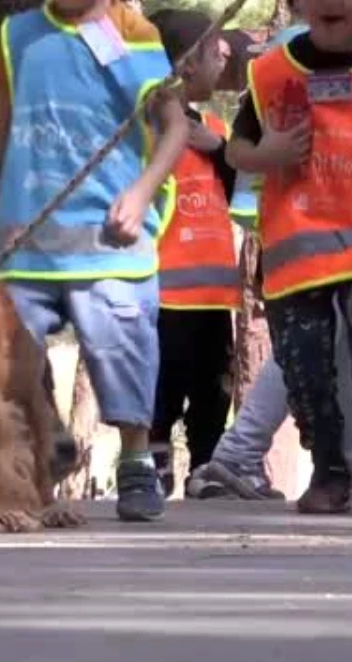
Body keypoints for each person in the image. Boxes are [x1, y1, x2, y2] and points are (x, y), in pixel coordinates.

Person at [0, 0, 189, 522]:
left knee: (123, 344)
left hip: (108, 239)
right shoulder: (17, 34)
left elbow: (174, 126)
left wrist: (141, 194)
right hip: (26, 239)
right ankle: (45, 443)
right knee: (4, 353)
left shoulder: (131, 31)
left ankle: (137, 458)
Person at [226, 0, 352, 514]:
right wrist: (265, 154)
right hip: (296, 257)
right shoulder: (270, 70)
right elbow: (237, 149)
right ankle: (329, 469)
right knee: (306, 366)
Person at [145, 9, 239, 498]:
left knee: (213, 389)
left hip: (214, 293)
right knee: (162, 390)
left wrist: (219, 148)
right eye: (213, 48)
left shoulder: (216, 127)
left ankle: (207, 468)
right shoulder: (148, 129)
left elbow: (241, 183)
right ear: (185, 64)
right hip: (164, 292)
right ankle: (151, 467)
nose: (224, 56)